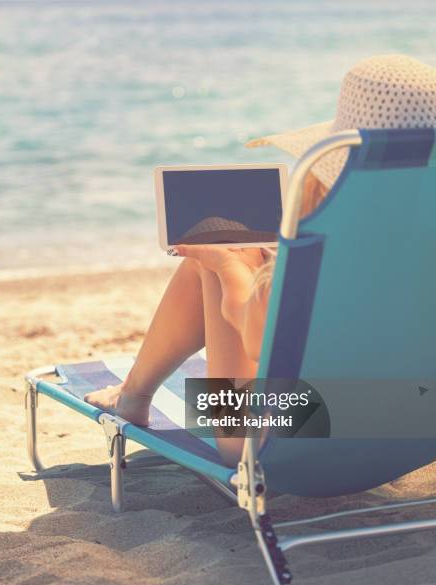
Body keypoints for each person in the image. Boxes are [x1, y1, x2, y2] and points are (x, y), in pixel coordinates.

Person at [85, 54, 436, 466]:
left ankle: (134, 395)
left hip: (285, 440)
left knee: (219, 258)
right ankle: (135, 392)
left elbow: (256, 337)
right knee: (244, 260)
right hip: (414, 425)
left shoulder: (325, 255)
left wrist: (225, 264)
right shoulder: (414, 243)